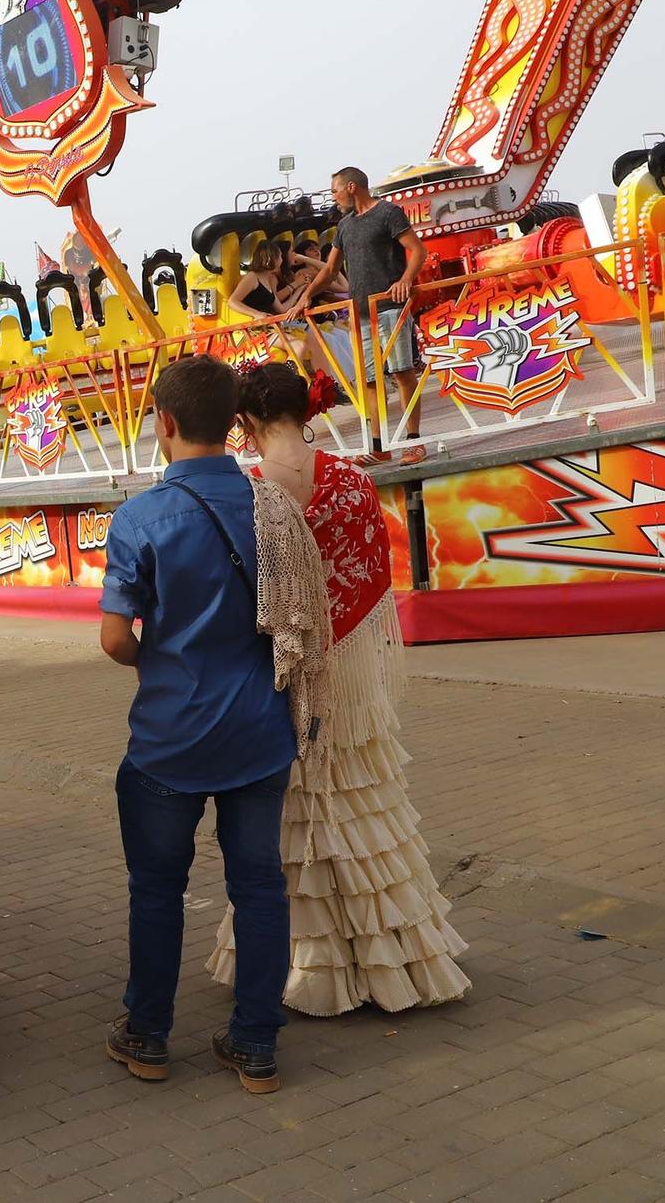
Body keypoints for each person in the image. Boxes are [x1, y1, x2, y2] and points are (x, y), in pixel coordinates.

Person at [99, 356, 329, 1096]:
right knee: (259, 887)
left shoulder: (140, 518)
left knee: (157, 889)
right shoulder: (275, 507)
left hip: (169, 737)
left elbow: (113, 639)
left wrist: (156, 660)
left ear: (164, 423)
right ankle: (256, 1045)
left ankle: (148, 1035)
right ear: (235, 424)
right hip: (261, 731)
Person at [209, 363, 469, 1013]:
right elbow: (371, 581)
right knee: (366, 803)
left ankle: (308, 968)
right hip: (351, 673)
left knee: (290, 815)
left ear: (243, 421)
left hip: (278, 670)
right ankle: (398, 961)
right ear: (308, 410)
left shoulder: (248, 493)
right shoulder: (353, 483)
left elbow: (249, 596)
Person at [297, 167, 430, 465]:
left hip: (390, 307)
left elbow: (417, 251)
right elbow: (330, 270)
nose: (333, 196)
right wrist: (306, 296)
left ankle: (414, 440)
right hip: (361, 315)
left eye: (335, 190)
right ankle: (379, 445)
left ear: (352, 187)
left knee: (402, 372)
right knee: (369, 380)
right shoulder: (344, 226)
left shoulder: (388, 213)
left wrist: (405, 280)